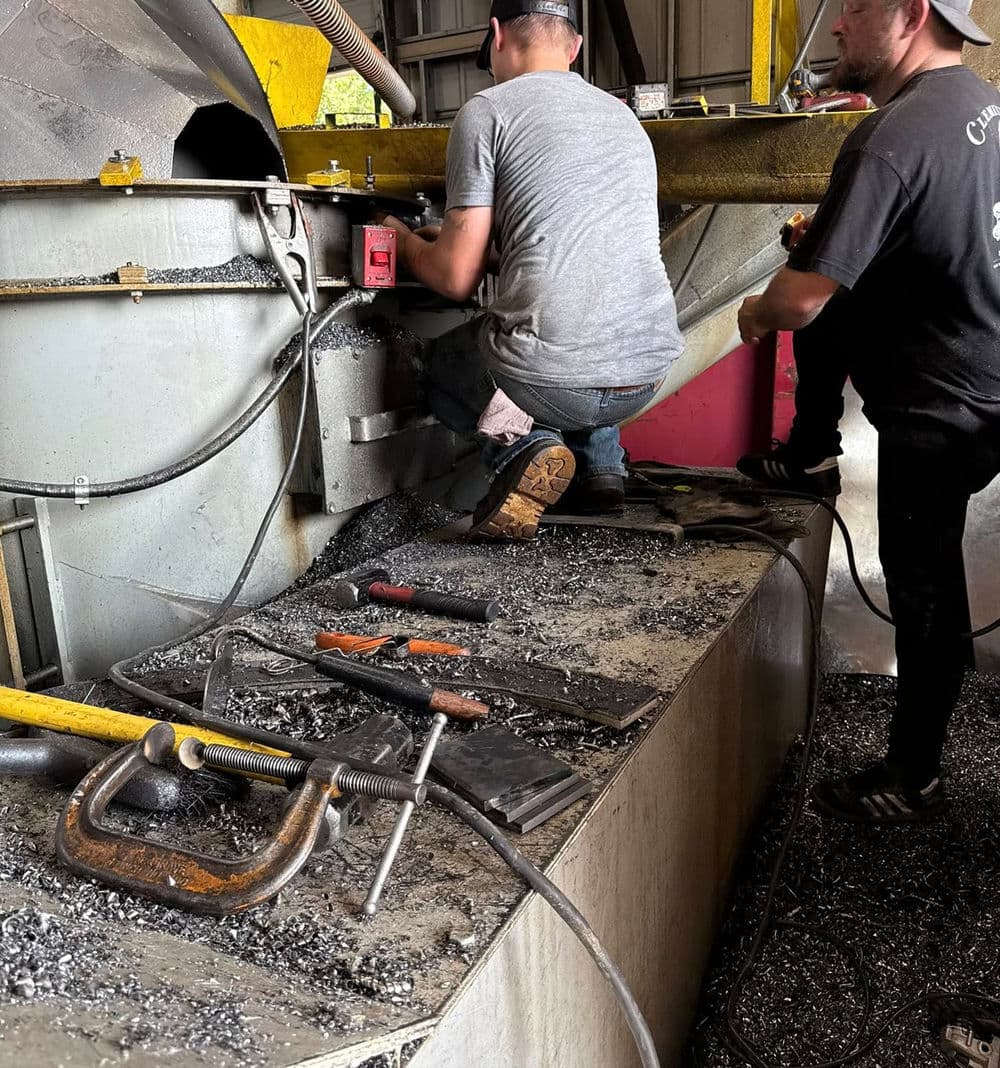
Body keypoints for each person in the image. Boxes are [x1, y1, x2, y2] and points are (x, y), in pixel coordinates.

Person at [735, 0, 999, 824]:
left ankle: (913, 773)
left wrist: (755, 311)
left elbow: (804, 303)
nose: (838, 25)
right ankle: (812, 447)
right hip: (987, 359)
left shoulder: (888, 137)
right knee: (830, 273)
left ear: (911, 14)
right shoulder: (985, 105)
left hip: (942, 400)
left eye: (853, 7)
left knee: (923, 582)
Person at [378, 0, 682, 539]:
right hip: (646, 376)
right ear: (575, 48)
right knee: (587, 317)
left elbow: (454, 279)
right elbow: (566, 249)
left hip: (556, 385)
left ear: (496, 35)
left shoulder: (488, 110)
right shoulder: (625, 117)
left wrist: (402, 243)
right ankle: (602, 468)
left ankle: (526, 448)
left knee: (444, 365)